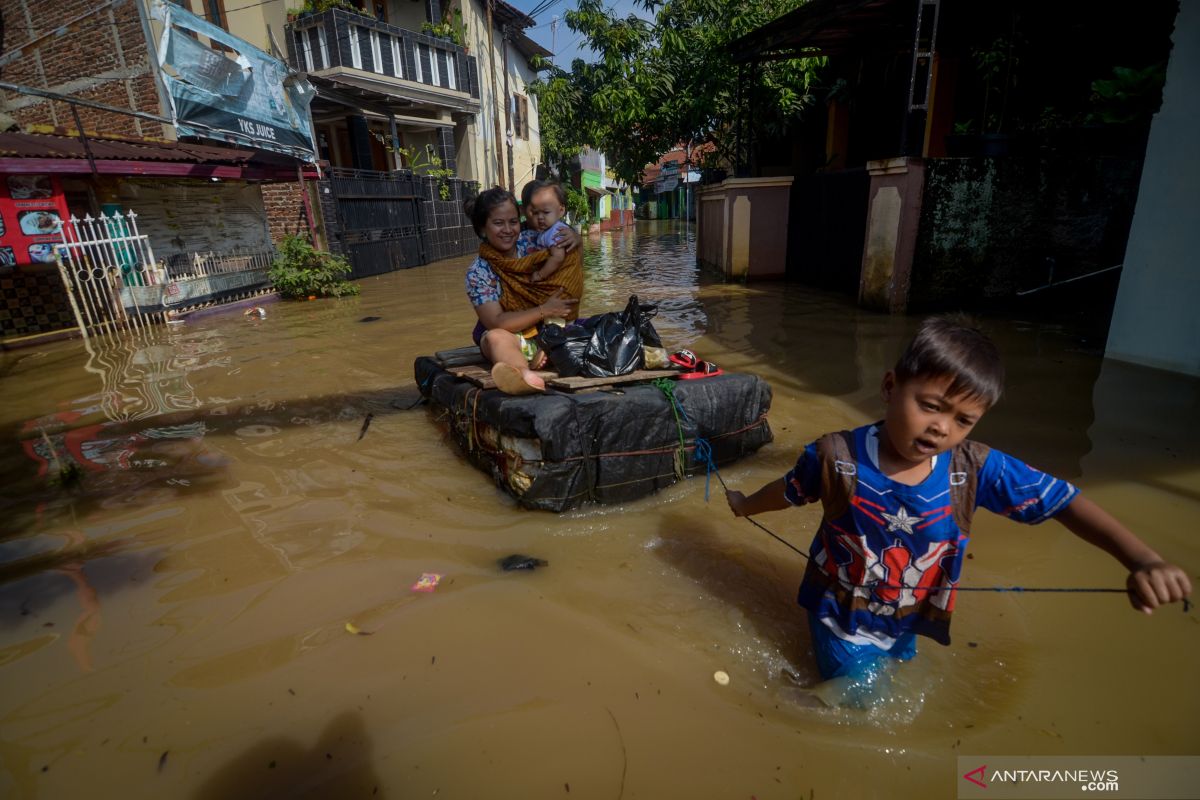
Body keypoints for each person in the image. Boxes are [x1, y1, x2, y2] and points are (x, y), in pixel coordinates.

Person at [725, 316, 1192, 702]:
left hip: (909, 619)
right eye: (930, 406)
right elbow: (787, 491)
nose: (940, 428)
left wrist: (1142, 559)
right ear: (890, 386)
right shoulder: (835, 458)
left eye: (962, 420)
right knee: (859, 704)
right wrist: (745, 506)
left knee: (892, 676)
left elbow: (1063, 502)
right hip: (839, 618)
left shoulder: (974, 470)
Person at [464, 187, 578, 395]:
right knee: (496, 337)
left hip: (547, 328)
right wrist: (544, 310)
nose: (508, 230)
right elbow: (496, 322)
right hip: (511, 336)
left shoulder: (533, 241)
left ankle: (546, 349)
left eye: (513, 222)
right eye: (498, 223)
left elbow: (564, 247)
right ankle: (524, 375)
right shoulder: (478, 272)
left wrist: (573, 236)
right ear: (482, 228)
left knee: (580, 327)